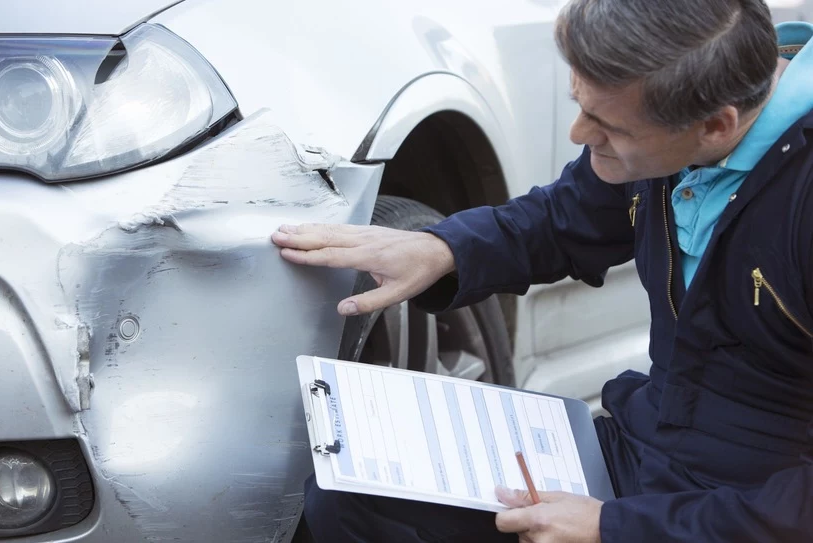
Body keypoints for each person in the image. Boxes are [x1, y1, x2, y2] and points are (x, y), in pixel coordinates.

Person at [272, 0, 813, 540]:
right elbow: (568, 217)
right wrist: (440, 250)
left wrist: (617, 529)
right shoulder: (674, 125)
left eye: (605, 126)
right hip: (644, 452)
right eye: (579, 105)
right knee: (357, 491)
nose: (579, 134)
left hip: (752, 506)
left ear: (715, 126)